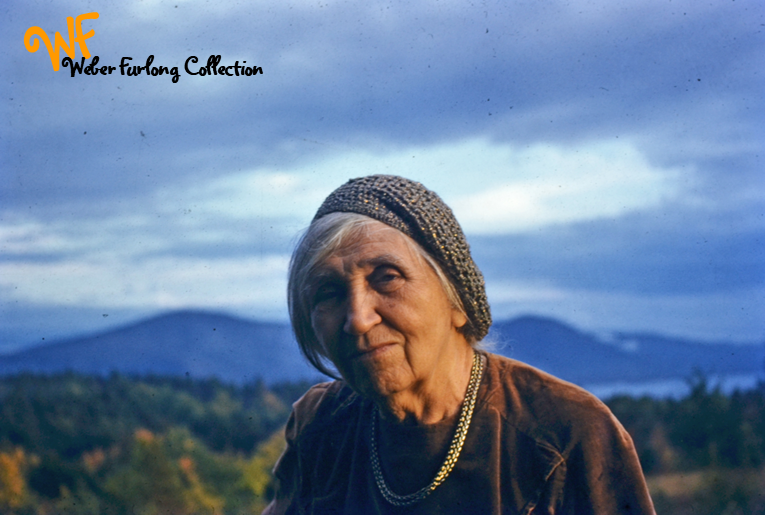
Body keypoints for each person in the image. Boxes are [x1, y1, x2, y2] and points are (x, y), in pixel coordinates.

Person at [263, 175, 655, 514]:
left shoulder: (564, 433)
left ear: (458, 301)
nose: (358, 318)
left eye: (387, 277)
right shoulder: (322, 423)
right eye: (328, 292)